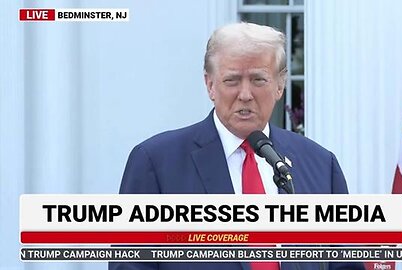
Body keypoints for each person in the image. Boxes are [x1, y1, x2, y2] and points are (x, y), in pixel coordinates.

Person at [109, 22, 364, 270]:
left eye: (258, 80)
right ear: (210, 85)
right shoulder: (157, 163)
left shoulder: (319, 164)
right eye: (231, 80)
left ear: (279, 85)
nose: (245, 94)